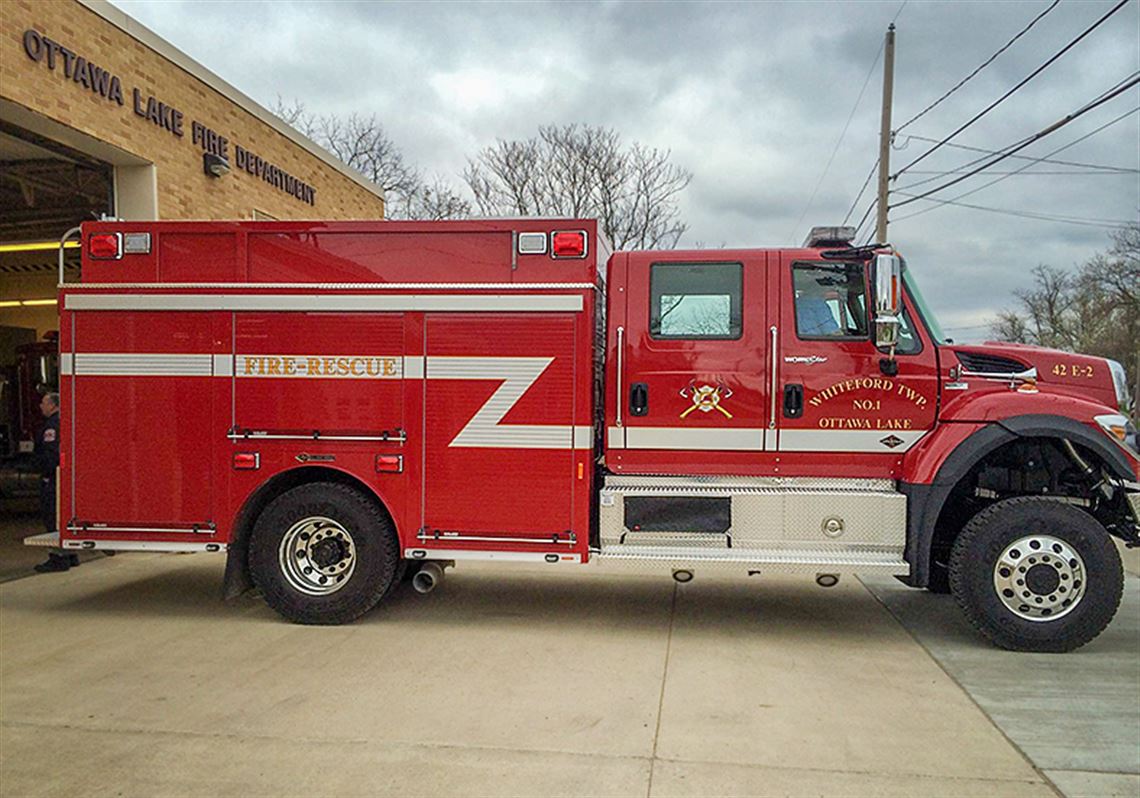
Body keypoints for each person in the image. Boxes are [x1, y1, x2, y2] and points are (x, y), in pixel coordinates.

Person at [33, 392, 77, 573]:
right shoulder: (65, 422)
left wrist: (43, 471)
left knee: (52, 518)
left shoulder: (51, 426)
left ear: (53, 405)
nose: (40, 406)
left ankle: (58, 558)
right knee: (64, 516)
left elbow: (50, 456)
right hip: (62, 478)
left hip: (52, 480)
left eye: (43, 403)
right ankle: (72, 555)